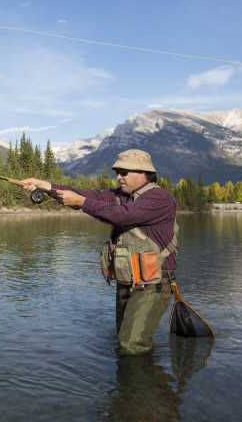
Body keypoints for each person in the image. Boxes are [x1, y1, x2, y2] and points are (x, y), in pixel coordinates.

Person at [21, 149, 177, 355]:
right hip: (126, 282)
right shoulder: (120, 196)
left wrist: (82, 203)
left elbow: (123, 216)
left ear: (143, 174)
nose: (118, 177)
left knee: (132, 347)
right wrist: (45, 186)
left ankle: (142, 385)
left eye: (124, 172)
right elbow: (86, 195)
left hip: (152, 284)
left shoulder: (159, 197)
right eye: (117, 172)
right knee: (124, 341)